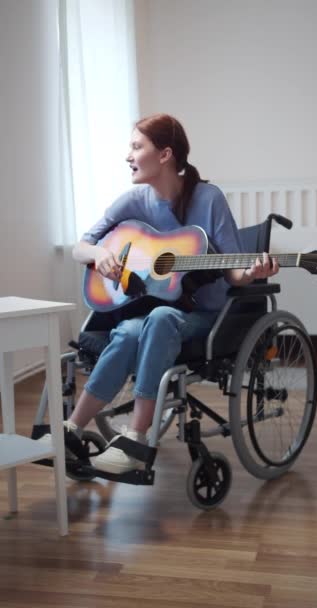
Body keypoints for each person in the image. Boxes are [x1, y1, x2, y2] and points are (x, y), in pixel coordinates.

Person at [58, 113, 279, 475]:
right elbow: (79, 246)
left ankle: (136, 440)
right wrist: (100, 255)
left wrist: (253, 272)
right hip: (149, 315)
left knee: (159, 318)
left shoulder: (208, 199)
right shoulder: (133, 201)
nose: (128, 155)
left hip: (203, 318)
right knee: (130, 329)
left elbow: (234, 271)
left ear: (164, 155)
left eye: (136, 146)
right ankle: (72, 428)